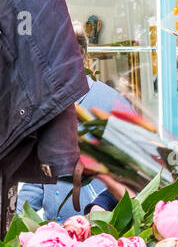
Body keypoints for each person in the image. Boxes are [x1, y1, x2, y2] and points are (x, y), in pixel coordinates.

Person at [18, 27, 132, 221]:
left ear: (81, 59)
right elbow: (38, 178)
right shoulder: (44, 108)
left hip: (100, 234)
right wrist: (17, 217)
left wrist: (101, 209)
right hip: (56, 234)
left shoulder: (114, 105)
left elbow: (132, 175)